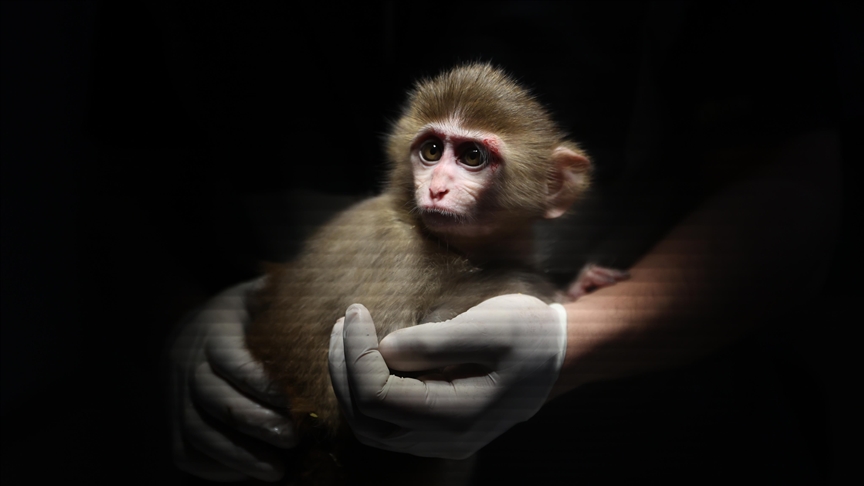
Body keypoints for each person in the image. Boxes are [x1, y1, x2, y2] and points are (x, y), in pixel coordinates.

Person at [168, 2, 852, 483]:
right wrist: (179, 331)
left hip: (647, 440)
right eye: (427, 150)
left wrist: (576, 337)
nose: (435, 184)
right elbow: (130, 168)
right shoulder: (386, 223)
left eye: (470, 157)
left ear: (557, 187)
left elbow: (793, 178)